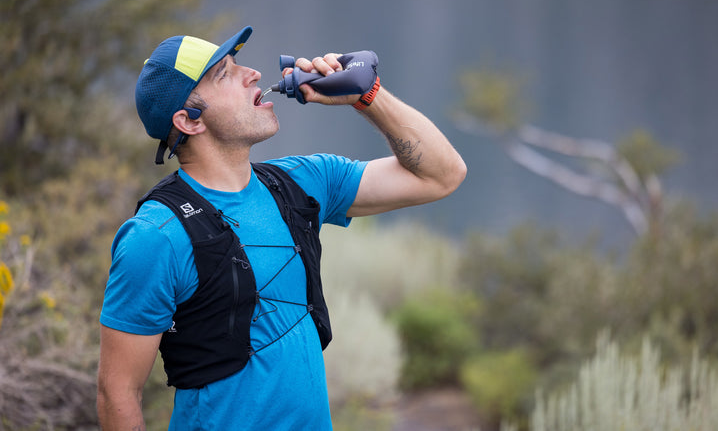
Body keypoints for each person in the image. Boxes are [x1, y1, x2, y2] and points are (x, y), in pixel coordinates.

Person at [96, 25, 466, 430]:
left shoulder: (302, 183)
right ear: (188, 120)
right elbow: (117, 392)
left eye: (238, 64)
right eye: (225, 74)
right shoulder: (155, 236)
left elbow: (442, 175)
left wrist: (368, 97)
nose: (252, 74)